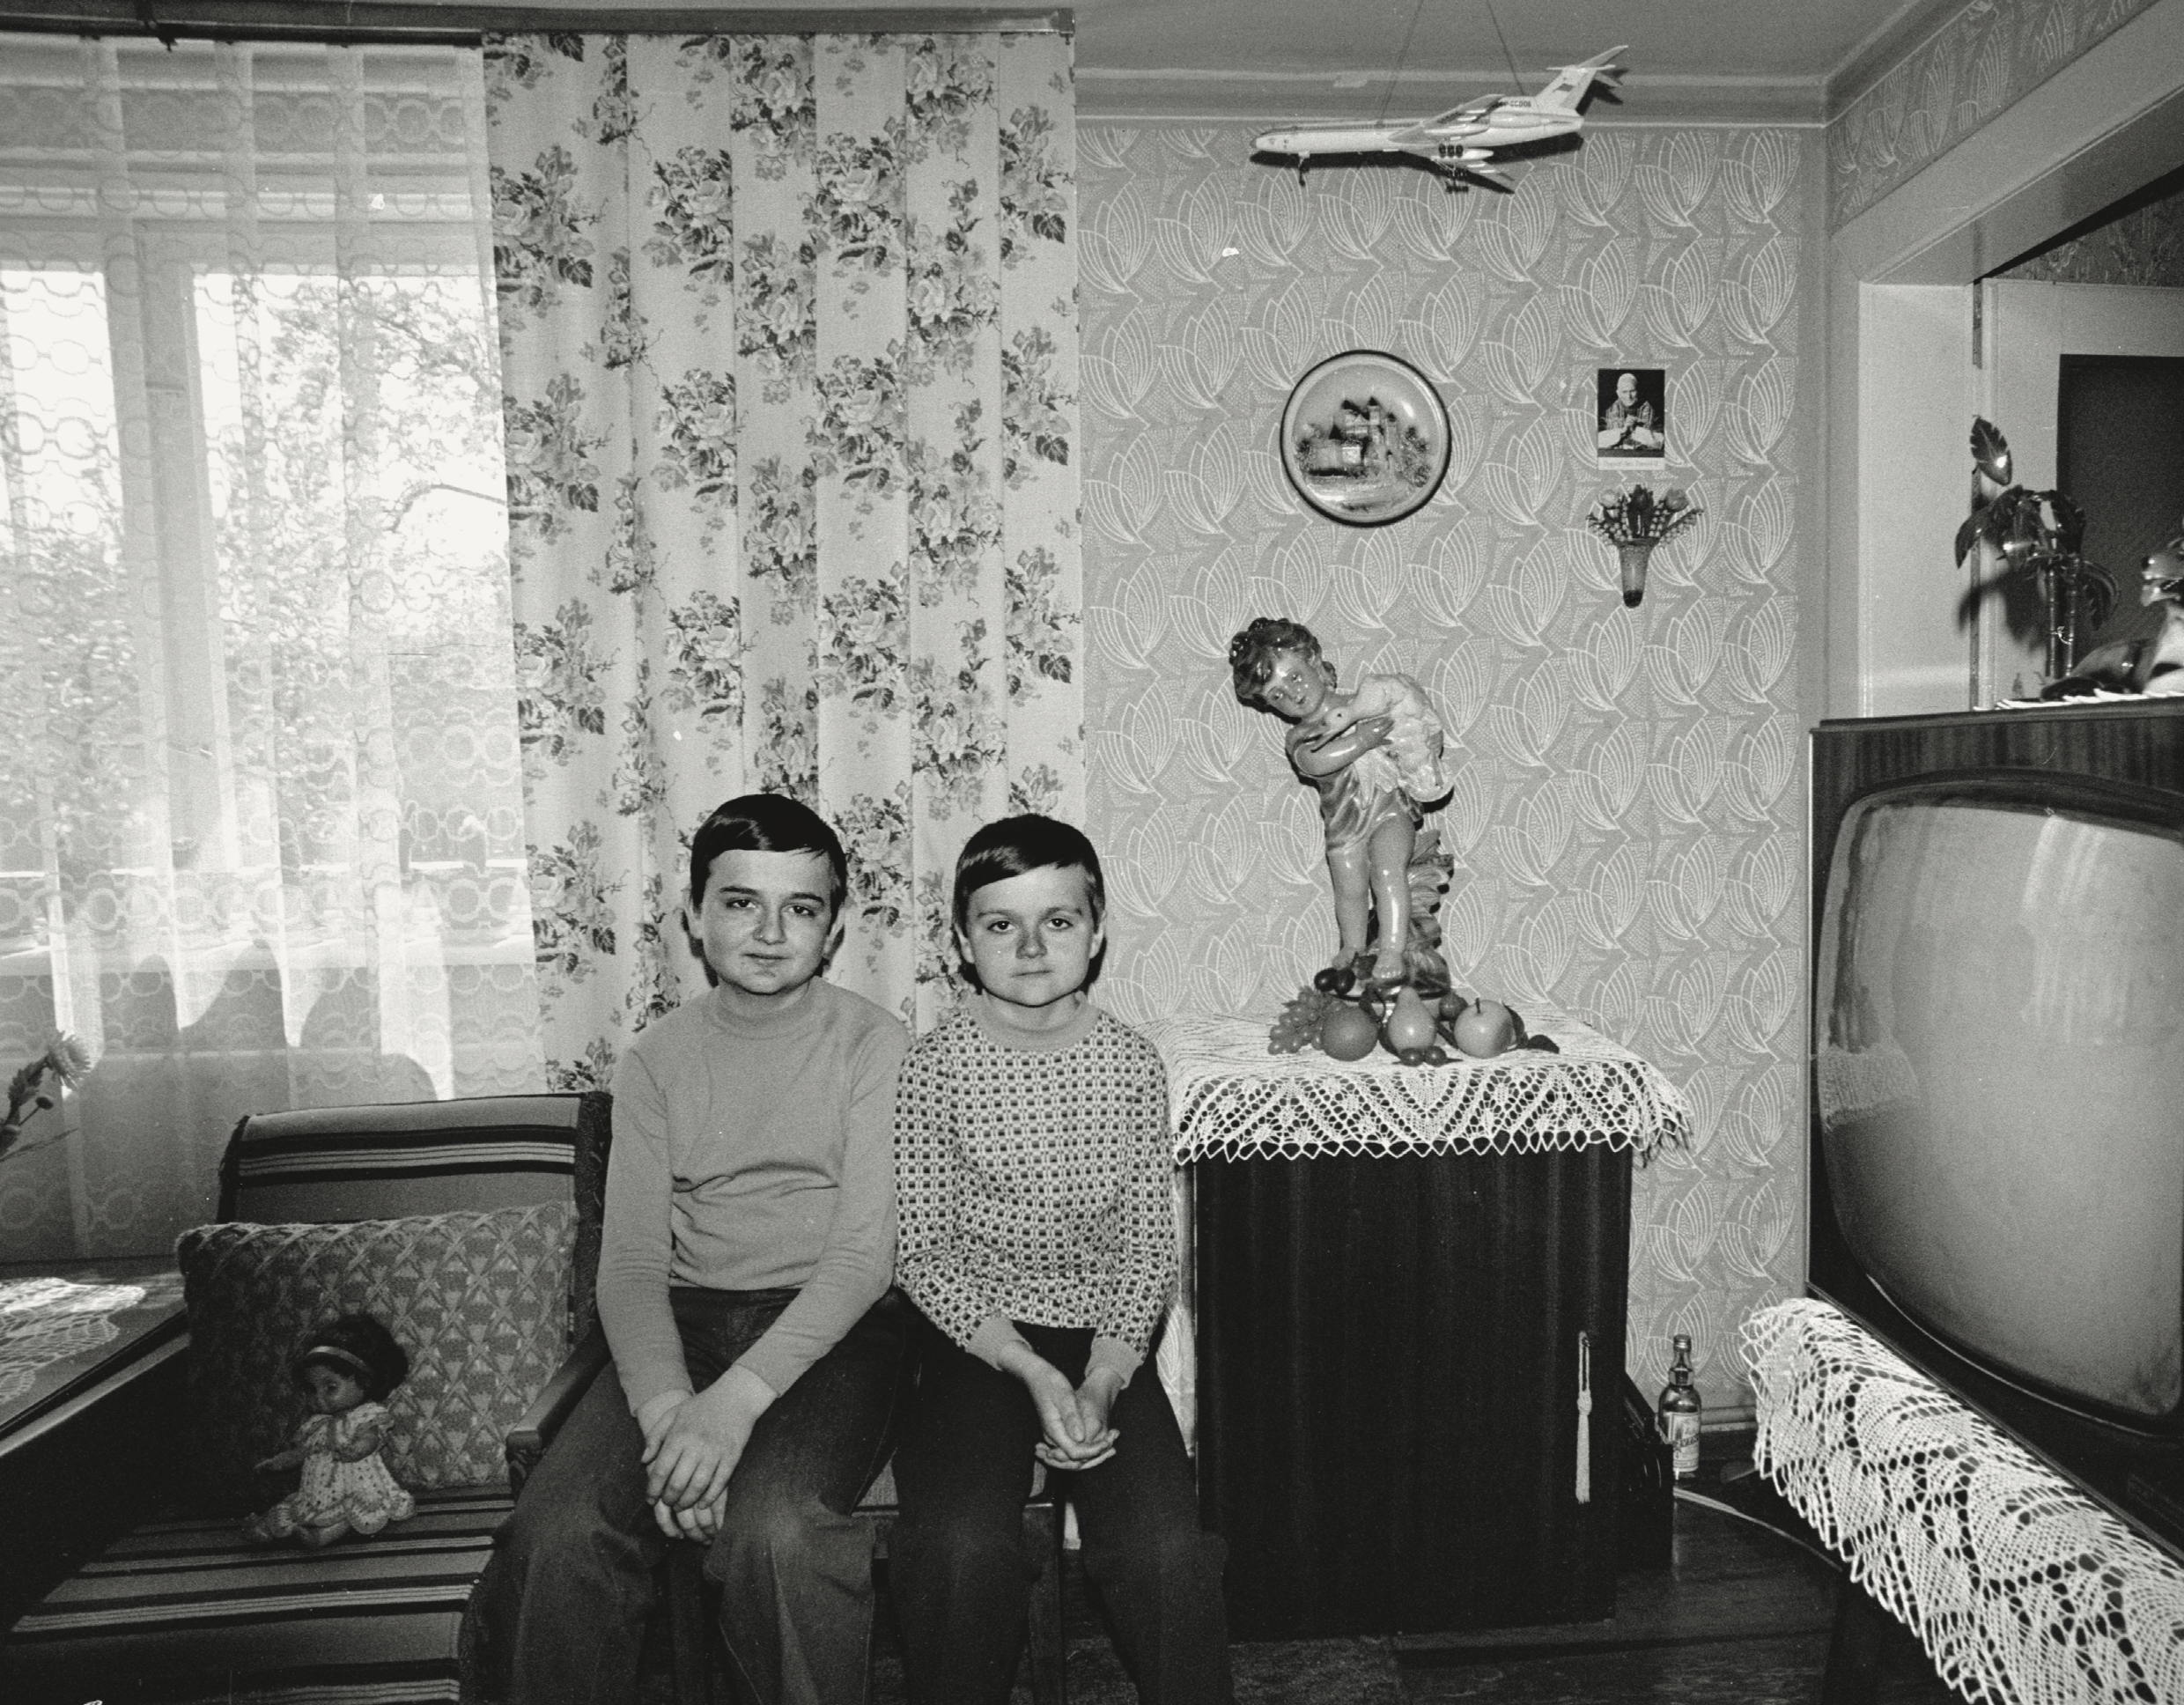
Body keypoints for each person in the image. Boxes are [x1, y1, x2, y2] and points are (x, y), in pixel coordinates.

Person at [471, 793, 911, 1705]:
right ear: (694, 915)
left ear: (834, 927)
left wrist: (731, 1412)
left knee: (778, 1535)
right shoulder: (656, 1059)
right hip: (688, 1325)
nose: (770, 932)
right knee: (558, 1533)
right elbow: (632, 1269)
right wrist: (675, 1415)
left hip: (836, 1331)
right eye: (741, 902)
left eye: (800, 907)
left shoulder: (876, 1045)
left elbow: (861, 1261)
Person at [889, 816, 1231, 1705]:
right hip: (977, 1343)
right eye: (1001, 924)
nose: (1032, 947)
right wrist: (1030, 1368)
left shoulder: (1130, 1064)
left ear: (1098, 929)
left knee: (1166, 1554)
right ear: (961, 939)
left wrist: (1103, 1380)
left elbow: (1147, 1247)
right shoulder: (933, 1068)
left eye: (1059, 920)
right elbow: (922, 1254)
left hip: (1103, 1339)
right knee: (960, 1549)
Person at [1228, 616, 1439, 985]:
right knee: (1350, 889)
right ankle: (1353, 947)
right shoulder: (1302, 735)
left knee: (1387, 872)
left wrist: (1422, 737)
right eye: (1276, 695)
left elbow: (1410, 725)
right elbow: (1314, 761)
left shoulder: (1365, 705)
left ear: (1312, 659)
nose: (1292, 695)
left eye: (1294, 677)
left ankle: (1392, 950)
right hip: (1345, 825)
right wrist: (1362, 741)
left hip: (1389, 809)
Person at [245, 1312, 416, 1546]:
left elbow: (371, 1438)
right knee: (292, 1508)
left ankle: (322, 1536)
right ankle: (265, 1529)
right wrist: (279, 1462)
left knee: (350, 1513)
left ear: (364, 1381)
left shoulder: (365, 1415)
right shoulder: (317, 1425)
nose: (319, 1398)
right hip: (317, 1491)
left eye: (330, 1387)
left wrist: (358, 1449)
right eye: (312, 1389)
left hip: (357, 1486)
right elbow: (302, 1453)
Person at [1598, 369, 1663, 453]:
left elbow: (1661, 443)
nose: (1629, 396)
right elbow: (1596, 441)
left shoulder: (1653, 412)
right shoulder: (1607, 413)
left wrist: (1636, 429)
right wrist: (1622, 431)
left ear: (1638, 391)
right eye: (1624, 392)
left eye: (1632, 391)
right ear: (1618, 393)